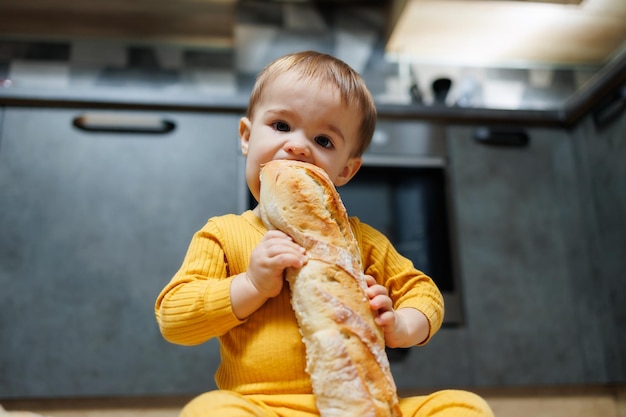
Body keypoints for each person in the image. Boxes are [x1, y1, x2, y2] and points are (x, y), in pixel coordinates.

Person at [155, 50, 493, 417]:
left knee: (462, 406)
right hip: (265, 407)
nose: (298, 146)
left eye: (324, 141)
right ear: (246, 138)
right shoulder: (224, 234)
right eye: (282, 126)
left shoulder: (364, 243)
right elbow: (174, 319)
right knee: (209, 410)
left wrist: (401, 325)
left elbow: (424, 292)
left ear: (346, 170)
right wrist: (250, 285)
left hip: (365, 403)